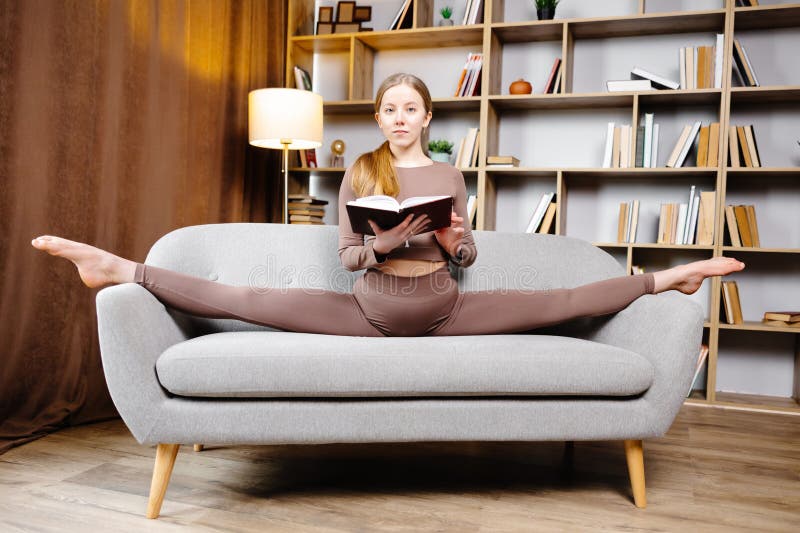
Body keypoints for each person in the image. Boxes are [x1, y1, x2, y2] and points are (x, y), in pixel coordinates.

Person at [31, 72, 745, 337]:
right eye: (389, 110)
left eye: (411, 109)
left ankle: (664, 276)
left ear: (428, 117)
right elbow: (346, 255)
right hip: (367, 306)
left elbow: (466, 254)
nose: (399, 119)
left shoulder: (448, 174)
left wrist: (456, 242)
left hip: (446, 306)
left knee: (561, 298)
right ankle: (121, 268)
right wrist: (383, 239)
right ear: (379, 119)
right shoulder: (359, 172)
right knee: (244, 295)